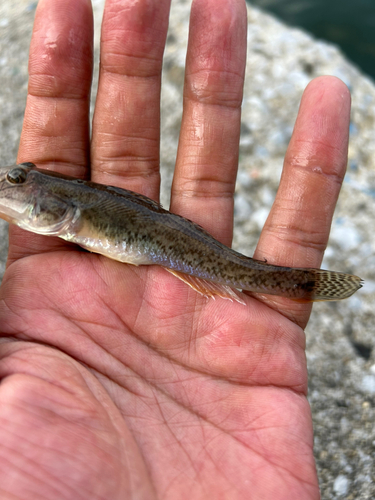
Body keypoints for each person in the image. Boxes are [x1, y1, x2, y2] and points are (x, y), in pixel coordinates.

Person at [0, 0, 350, 498]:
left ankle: (291, 282)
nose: (11, 185)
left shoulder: (72, 211)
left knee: (221, 264)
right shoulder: (68, 216)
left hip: (167, 244)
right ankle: (290, 282)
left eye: (17, 180)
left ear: (52, 198)